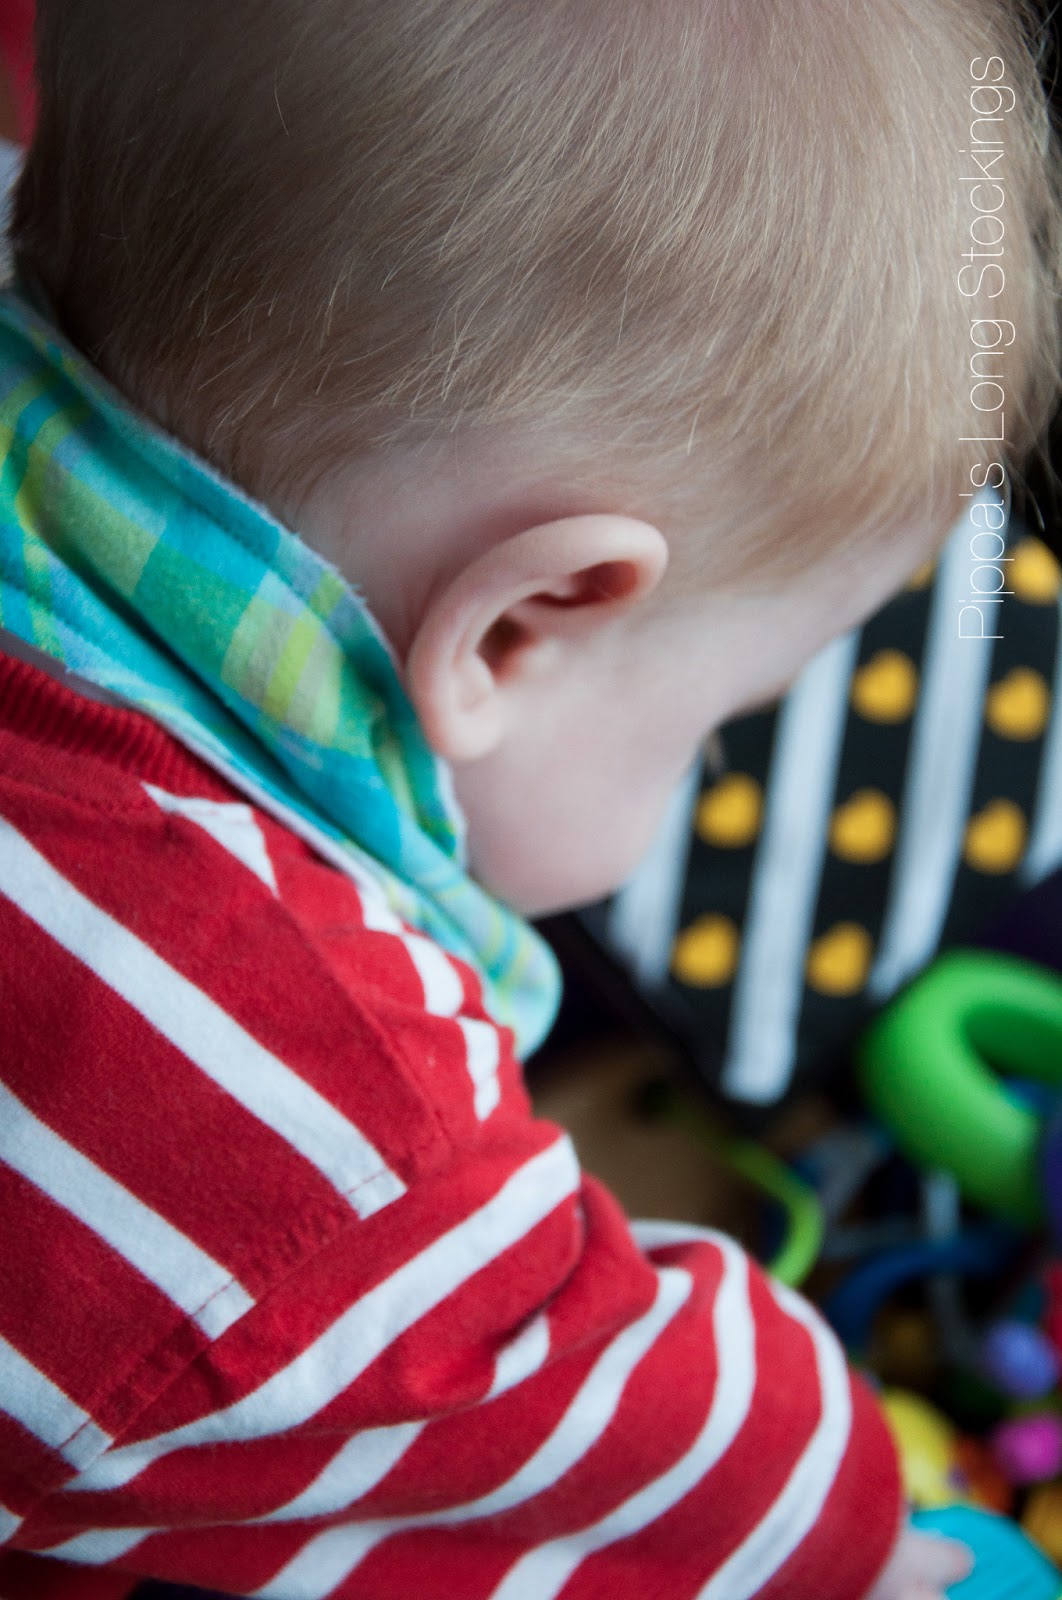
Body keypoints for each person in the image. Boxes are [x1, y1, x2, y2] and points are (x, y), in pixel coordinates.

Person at [0, 2, 1059, 1596]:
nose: (705, 775)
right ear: (513, 630)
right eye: (719, 726)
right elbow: (607, 1440)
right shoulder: (322, 1146)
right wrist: (876, 1543)